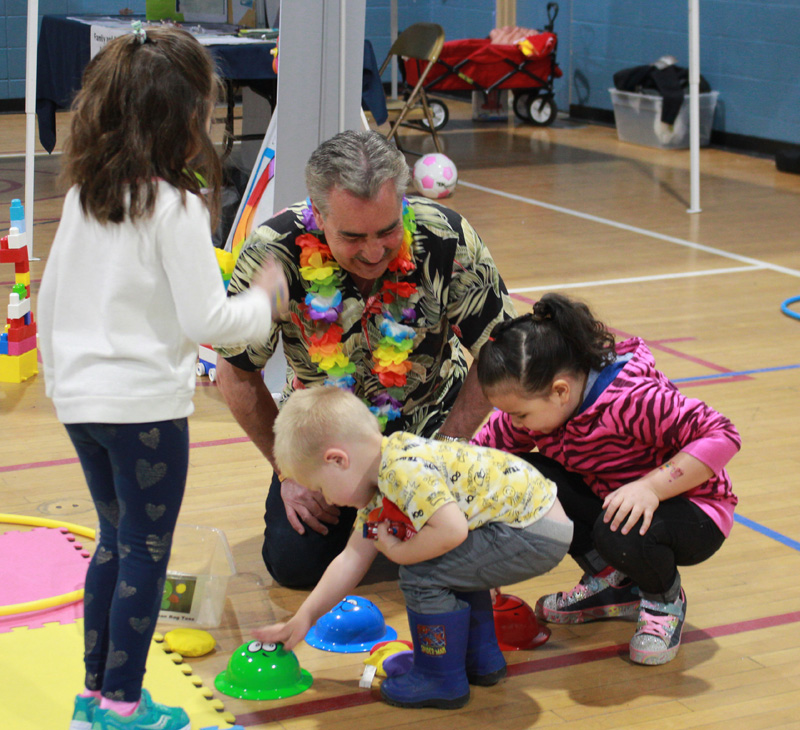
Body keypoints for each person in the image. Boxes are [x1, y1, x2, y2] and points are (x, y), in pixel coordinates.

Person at [37, 25, 288, 730]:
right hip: (143, 410)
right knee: (145, 552)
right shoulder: (172, 205)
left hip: (81, 402)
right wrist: (265, 297)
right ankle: (120, 705)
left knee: (113, 544)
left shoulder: (91, 193)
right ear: (181, 116)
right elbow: (209, 319)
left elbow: (52, 297)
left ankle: (96, 695)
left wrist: (64, 384)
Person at [214, 129, 517, 588]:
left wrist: (447, 449)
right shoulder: (275, 251)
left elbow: (498, 347)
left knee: (479, 550)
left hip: (431, 426)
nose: (374, 252)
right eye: (353, 236)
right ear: (318, 214)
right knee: (296, 565)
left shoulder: (446, 237)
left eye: (388, 230)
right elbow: (236, 375)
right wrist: (288, 472)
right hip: (328, 438)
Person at [252, 386, 573, 709]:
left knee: (420, 573)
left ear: (338, 460)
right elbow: (351, 558)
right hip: (532, 525)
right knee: (445, 565)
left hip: (531, 531)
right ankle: (480, 659)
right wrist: (304, 617)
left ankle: (439, 677)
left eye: (321, 487)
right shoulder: (385, 474)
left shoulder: (403, 471)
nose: (329, 499)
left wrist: (399, 553)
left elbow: (452, 530)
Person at [472, 292, 741, 665]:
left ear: (560, 391)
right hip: (618, 503)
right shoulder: (540, 402)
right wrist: (482, 552)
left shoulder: (630, 399)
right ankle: (618, 585)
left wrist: (650, 487)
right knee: (521, 478)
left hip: (694, 508)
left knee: (619, 530)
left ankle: (663, 601)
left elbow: (723, 434)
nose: (512, 424)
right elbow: (479, 460)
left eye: (519, 415)